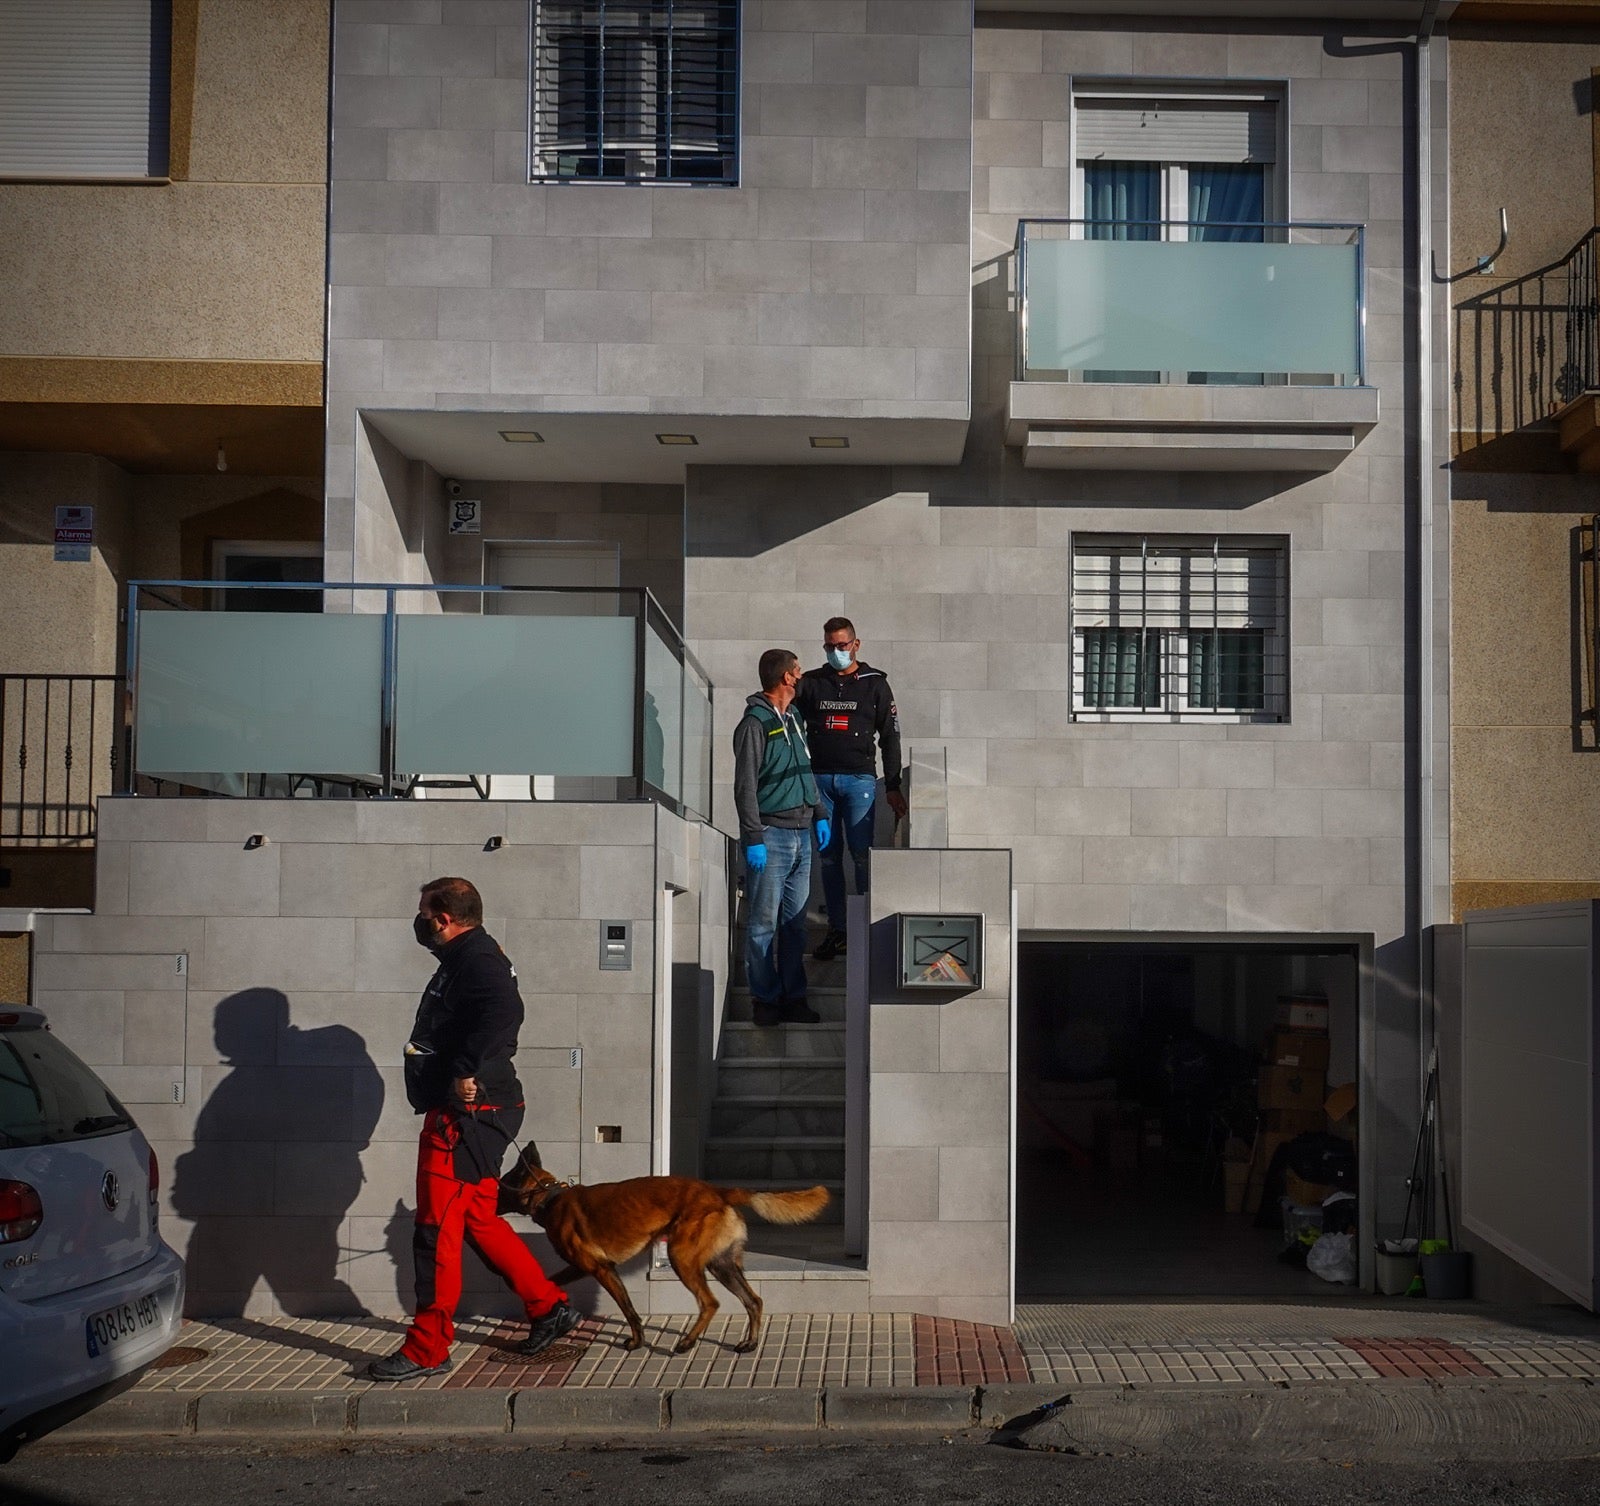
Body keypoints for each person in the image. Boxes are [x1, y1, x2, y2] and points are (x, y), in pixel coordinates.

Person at [368, 876, 578, 1381]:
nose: (418, 922)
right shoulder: (469, 955)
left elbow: (505, 1013)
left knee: (435, 1232)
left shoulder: (477, 959)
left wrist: (465, 1070)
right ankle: (549, 1308)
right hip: (479, 1112)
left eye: (423, 913)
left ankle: (427, 1350)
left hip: (469, 1118)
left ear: (443, 919)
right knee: (480, 1219)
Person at [795, 617, 906, 961]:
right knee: (828, 859)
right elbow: (790, 725)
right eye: (829, 646)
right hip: (819, 782)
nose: (835, 652)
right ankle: (838, 931)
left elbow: (890, 736)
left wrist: (893, 785)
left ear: (856, 645)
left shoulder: (876, 685)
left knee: (861, 856)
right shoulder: (811, 683)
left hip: (859, 781)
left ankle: (866, 929)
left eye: (842, 646)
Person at [733, 649, 832, 1028]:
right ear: (787, 678)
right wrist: (753, 837)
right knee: (761, 925)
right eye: (798, 671)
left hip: (802, 836)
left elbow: (806, 770)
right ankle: (765, 999)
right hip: (771, 836)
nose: (802, 675)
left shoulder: (794, 719)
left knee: (795, 925)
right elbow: (744, 786)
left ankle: (794, 997)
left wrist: (819, 814)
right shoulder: (754, 724)